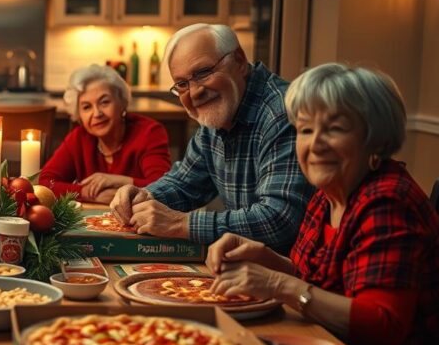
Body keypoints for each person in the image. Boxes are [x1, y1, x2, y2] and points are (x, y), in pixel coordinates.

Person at [205, 63, 439, 345]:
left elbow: (383, 325)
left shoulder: (386, 202)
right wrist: (264, 256)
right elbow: (319, 278)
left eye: (335, 129)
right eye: (305, 129)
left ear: (375, 140)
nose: (315, 144)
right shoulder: (330, 192)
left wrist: (278, 284)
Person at [110, 24, 312, 253]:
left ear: (238, 60)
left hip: (291, 276)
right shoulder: (219, 113)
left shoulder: (283, 112)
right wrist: (144, 195)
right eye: (182, 84)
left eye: (203, 73)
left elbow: (279, 220)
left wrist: (180, 224)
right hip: (247, 267)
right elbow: (185, 183)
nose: (195, 92)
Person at [38, 64, 170, 203]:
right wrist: (86, 193)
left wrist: (118, 182)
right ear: (79, 115)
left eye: (104, 102)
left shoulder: (149, 132)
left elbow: (164, 187)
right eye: (86, 107)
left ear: (122, 102)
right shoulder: (78, 138)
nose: (97, 113)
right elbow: (46, 182)